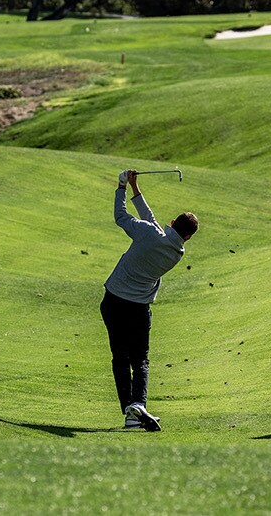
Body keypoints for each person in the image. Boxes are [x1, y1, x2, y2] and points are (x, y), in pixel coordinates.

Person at [102, 169, 198, 431]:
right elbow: (150, 222)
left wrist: (122, 186)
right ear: (187, 236)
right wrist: (136, 187)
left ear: (172, 222)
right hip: (138, 309)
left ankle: (131, 413)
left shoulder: (148, 233)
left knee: (120, 358)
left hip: (113, 302)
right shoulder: (177, 251)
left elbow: (121, 217)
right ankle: (137, 404)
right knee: (140, 359)